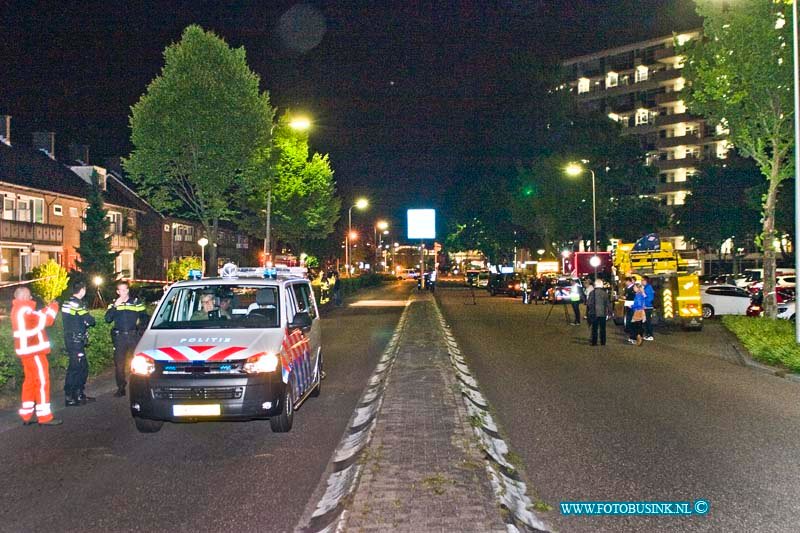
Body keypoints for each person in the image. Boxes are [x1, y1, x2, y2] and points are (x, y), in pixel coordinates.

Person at [11, 287, 62, 426]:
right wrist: (53, 306)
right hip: (35, 352)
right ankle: (44, 416)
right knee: (42, 382)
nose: (32, 298)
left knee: (30, 382)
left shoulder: (19, 310)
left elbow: (35, 316)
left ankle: (26, 415)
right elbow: (45, 320)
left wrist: (45, 309)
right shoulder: (25, 310)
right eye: (29, 296)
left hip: (26, 353)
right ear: (24, 296)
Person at [105, 281, 149, 398]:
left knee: (140, 362)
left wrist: (140, 330)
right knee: (119, 364)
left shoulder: (135, 302)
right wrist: (114, 306)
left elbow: (145, 317)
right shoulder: (113, 304)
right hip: (120, 337)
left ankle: (141, 387)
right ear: (117, 292)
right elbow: (108, 319)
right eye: (121, 290)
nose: (123, 293)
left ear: (128, 290)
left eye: (125, 290)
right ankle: (121, 387)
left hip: (133, 336)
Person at [62, 280, 97, 406]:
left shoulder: (67, 302)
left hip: (72, 339)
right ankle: (70, 396)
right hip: (76, 341)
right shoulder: (77, 304)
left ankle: (78, 394)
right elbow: (90, 320)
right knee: (76, 368)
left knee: (82, 367)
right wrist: (88, 321)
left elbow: (72, 320)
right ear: (82, 290)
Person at [586, 279, 613, 346]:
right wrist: (610, 312)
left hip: (594, 312)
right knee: (603, 328)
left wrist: (589, 311)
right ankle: (603, 342)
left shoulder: (592, 293)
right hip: (602, 313)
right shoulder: (605, 293)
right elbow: (608, 304)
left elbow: (589, 303)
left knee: (594, 328)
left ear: (595, 285)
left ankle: (594, 342)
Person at [642, 275, 655, 341]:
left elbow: (649, 298)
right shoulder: (645, 287)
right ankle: (647, 334)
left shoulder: (648, 288)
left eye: (642, 280)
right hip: (645, 307)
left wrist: (645, 303)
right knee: (645, 322)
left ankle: (650, 335)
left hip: (648, 307)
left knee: (648, 321)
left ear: (645, 281)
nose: (641, 282)